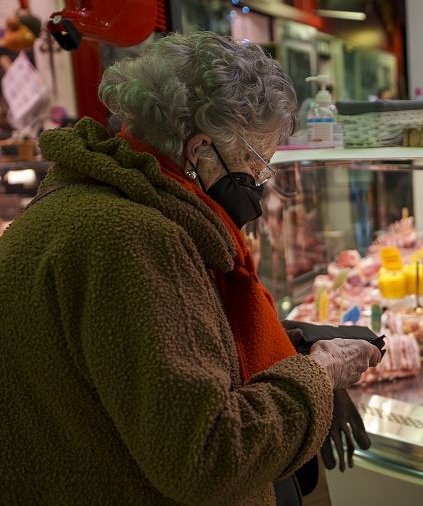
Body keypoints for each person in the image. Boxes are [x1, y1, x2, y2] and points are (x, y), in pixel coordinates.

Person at [0, 31, 381, 505]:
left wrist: (292, 344)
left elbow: (147, 349)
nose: (259, 186)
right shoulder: (131, 238)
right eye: (256, 164)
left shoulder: (94, 202)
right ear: (200, 151)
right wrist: (318, 378)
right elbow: (208, 454)